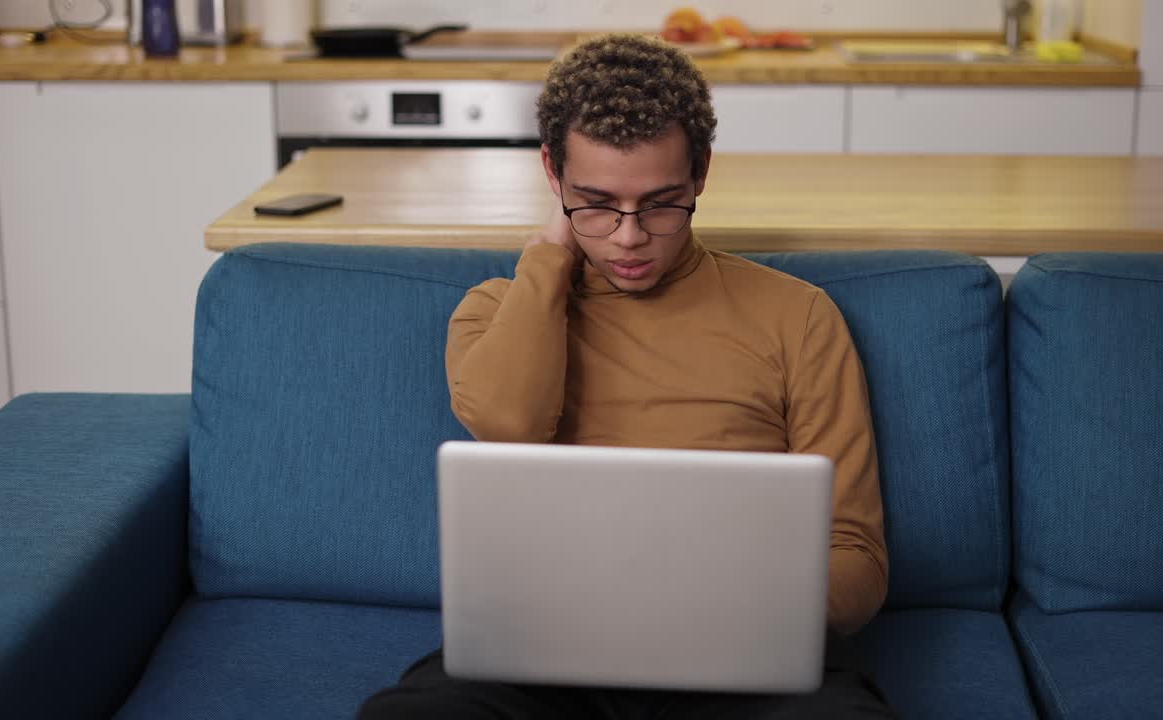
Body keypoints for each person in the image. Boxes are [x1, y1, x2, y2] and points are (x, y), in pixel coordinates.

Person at [359, 33, 894, 720]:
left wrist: (724, 600)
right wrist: (550, 259)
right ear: (552, 174)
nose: (629, 237)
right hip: (544, 652)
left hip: (749, 655)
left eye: (662, 202)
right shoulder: (496, 312)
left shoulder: (800, 317)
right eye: (597, 202)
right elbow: (509, 424)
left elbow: (856, 562)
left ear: (701, 172)